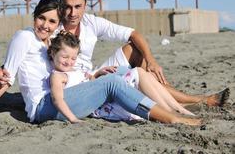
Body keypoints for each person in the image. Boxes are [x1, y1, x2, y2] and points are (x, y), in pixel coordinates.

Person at [0, 0, 201, 126]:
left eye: (51, 21)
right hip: (44, 108)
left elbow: (67, 70)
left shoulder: (48, 41)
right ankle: (171, 118)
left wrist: (94, 75)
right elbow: (5, 80)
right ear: (34, 16)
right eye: (41, 19)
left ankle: (169, 110)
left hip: (62, 98)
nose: (45, 26)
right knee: (112, 84)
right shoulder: (23, 37)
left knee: (119, 73)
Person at [0, 0, 229, 108]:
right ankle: (199, 100)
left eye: (78, 7)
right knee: (137, 74)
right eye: (67, 7)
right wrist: (2, 69)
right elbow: (26, 46)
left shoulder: (92, 22)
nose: (72, 13)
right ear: (61, 6)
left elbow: (134, 33)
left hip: (94, 72)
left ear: (85, 5)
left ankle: (186, 98)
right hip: (72, 83)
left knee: (137, 51)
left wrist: (152, 60)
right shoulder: (51, 27)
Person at [47, 31, 195, 124]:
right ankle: (170, 110)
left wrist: (98, 74)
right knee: (137, 73)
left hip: (100, 94)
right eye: (64, 57)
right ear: (53, 53)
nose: (69, 61)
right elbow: (58, 99)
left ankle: (175, 108)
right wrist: (72, 119)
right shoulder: (57, 76)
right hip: (99, 105)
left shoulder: (73, 70)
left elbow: (87, 84)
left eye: (73, 58)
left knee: (139, 72)